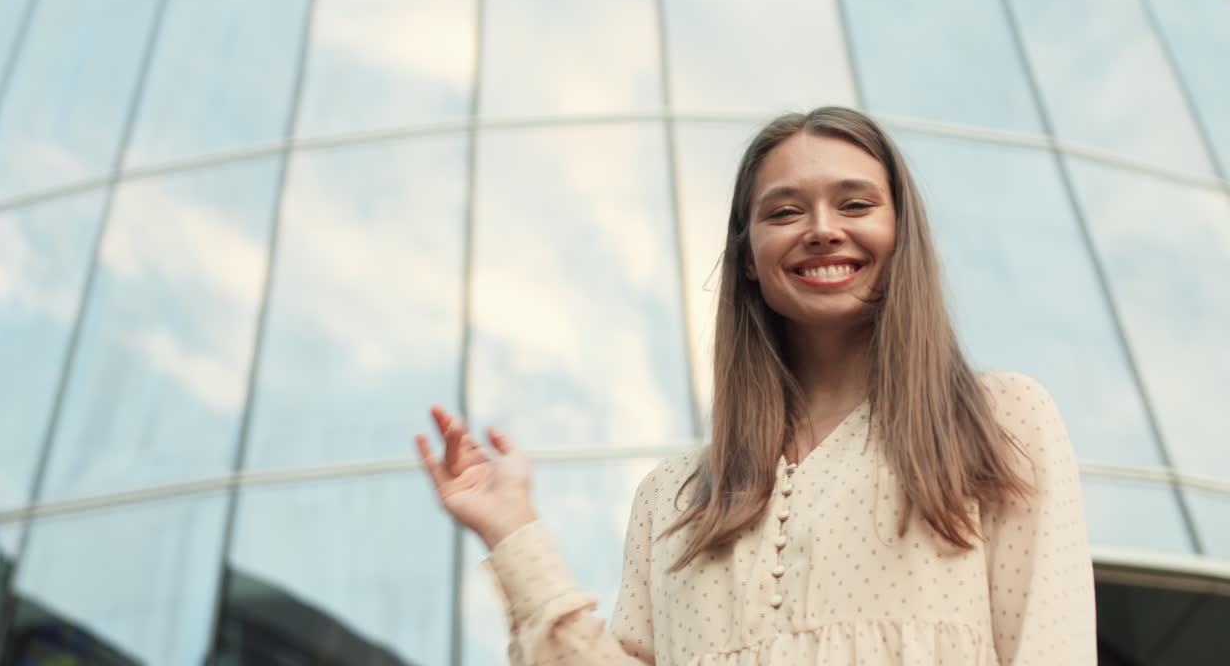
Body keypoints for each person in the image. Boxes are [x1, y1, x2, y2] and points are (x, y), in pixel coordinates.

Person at [415, 107, 1096, 665]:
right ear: (746, 259)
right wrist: (511, 529)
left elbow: (1051, 647)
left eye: (855, 203)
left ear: (901, 234)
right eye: (784, 212)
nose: (823, 230)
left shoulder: (999, 418)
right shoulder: (674, 498)